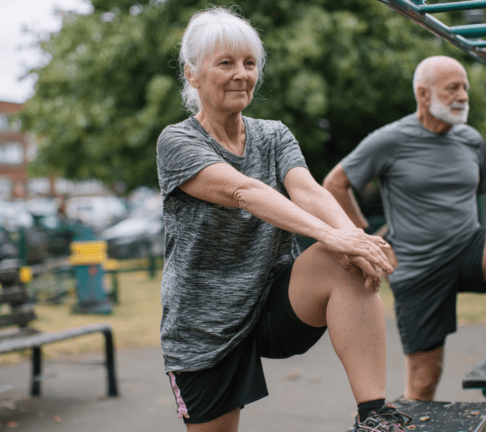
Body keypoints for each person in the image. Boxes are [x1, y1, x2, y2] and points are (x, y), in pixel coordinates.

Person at [157, 7, 414, 432]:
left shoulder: (273, 134)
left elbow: (308, 190)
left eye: (249, 63)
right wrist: (337, 235)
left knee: (340, 259)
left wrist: (353, 240)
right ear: (192, 75)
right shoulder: (178, 141)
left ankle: (374, 417)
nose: (242, 74)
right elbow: (245, 192)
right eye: (226, 63)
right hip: (205, 327)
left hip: (272, 302)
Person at [323, 56, 486, 402]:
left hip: (469, 250)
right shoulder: (389, 140)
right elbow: (334, 184)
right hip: (419, 269)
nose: (463, 96)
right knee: (425, 380)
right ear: (423, 94)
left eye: (466, 88)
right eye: (453, 88)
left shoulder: (471, 139)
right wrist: (369, 241)